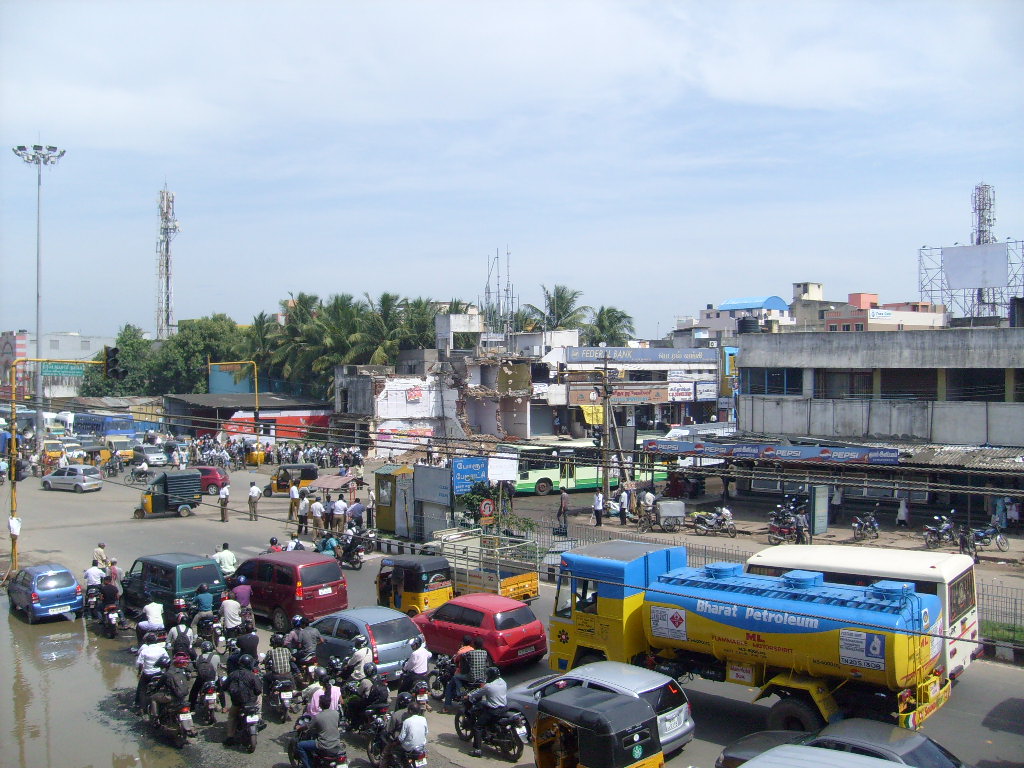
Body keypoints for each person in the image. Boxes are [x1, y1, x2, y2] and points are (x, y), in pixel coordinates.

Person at [295, 692, 345, 768]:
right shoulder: (336, 713)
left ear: (320, 704)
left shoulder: (317, 717)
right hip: (336, 743)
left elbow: (307, 727)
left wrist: (299, 727)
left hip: (323, 745)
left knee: (300, 745)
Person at [467, 666, 507, 757]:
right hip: (504, 707)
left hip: (494, 710)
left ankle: (477, 750)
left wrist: (468, 695)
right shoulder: (503, 682)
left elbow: (477, 693)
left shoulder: (489, 687)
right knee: (483, 704)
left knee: (477, 726)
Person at [223, 654, 262, 747]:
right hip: (251, 702)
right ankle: (259, 718)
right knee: (259, 702)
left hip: (237, 703)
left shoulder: (233, 674)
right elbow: (258, 690)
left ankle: (230, 736)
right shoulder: (252, 676)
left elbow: (224, 686)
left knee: (232, 717)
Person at [149, 653, 194, 729]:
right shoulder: (180, 670)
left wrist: (154, 687)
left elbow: (159, 685)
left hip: (171, 697)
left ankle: (155, 718)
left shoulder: (167, 674)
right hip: (183, 695)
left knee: (153, 698)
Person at [345, 662, 389, 729]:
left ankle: (354, 724)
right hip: (383, 701)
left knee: (352, 704)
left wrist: (354, 690)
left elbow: (359, 693)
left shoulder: (365, 681)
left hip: (370, 702)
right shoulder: (380, 677)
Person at [135, 632, 169, 711]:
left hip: (147, 674)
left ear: (146, 642)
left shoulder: (145, 650)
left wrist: (139, 672)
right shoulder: (161, 649)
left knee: (142, 690)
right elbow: (167, 661)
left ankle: (141, 708)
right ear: (156, 641)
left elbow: (140, 664)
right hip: (158, 673)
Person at [444, 634, 475, 712]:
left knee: (449, 686)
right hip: (471, 674)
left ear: (463, 642)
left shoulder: (461, 651)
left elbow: (455, 660)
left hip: (461, 673)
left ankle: (447, 706)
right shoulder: (472, 649)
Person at [190, 640, 221, 708]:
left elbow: (197, 666)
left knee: (194, 691)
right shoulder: (217, 657)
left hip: (201, 679)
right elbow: (218, 667)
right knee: (221, 690)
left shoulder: (199, 657)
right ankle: (224, 706)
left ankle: (191, 707)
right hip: (214, 679)